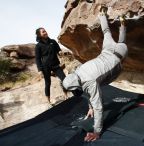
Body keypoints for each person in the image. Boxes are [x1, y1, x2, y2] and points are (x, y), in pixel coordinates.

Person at [62, 6, 128, 141]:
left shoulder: (88, 83)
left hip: (119, 54)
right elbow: (86, 90)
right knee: (106, 32)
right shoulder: (78, 71)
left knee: (122, 42)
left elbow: (98, 106)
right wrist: (90, 107)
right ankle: (102, 15)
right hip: (107, 49)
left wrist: (97, 132)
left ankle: (123, 26)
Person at [35, 28, 68, 104]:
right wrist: (40, 70)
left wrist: (60, 52)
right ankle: (48, 101)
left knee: (64, 79)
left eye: (45, 31)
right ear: (39, 35)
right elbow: (37, 59)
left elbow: (58, 50)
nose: (45, 32)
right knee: (48, 83)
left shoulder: (52, 41)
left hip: (55, 64)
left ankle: (66, 95)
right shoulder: (38, 46)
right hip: (45, 67)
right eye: (43, 32)